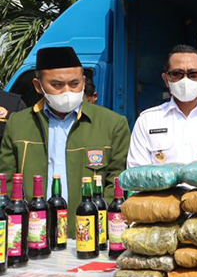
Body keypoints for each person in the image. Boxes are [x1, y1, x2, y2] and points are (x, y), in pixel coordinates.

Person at [0, 46, 131, 237]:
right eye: (57, 85)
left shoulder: (112, 124)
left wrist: (96, 220)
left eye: (74, 83)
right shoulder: (18, 124)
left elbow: (118, 180)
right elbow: (7, 180)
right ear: (38, 86)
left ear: (84, 82)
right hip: (33, 234)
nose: (67, 91)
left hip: (90, 234)